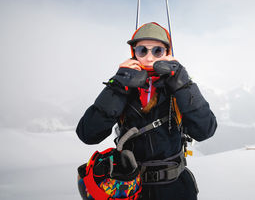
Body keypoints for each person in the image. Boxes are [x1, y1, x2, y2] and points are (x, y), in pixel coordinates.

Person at [76, 22, 217, 200]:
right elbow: (88, 134)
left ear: (167, 53)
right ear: (133, 53)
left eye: (157, 51)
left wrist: (184, 84)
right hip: (131, 189)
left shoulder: (177, 87)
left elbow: (205, 130)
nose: (149, 58)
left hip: (175, 189)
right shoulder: (122, 87)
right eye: (142, 50)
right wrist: (117, 86)